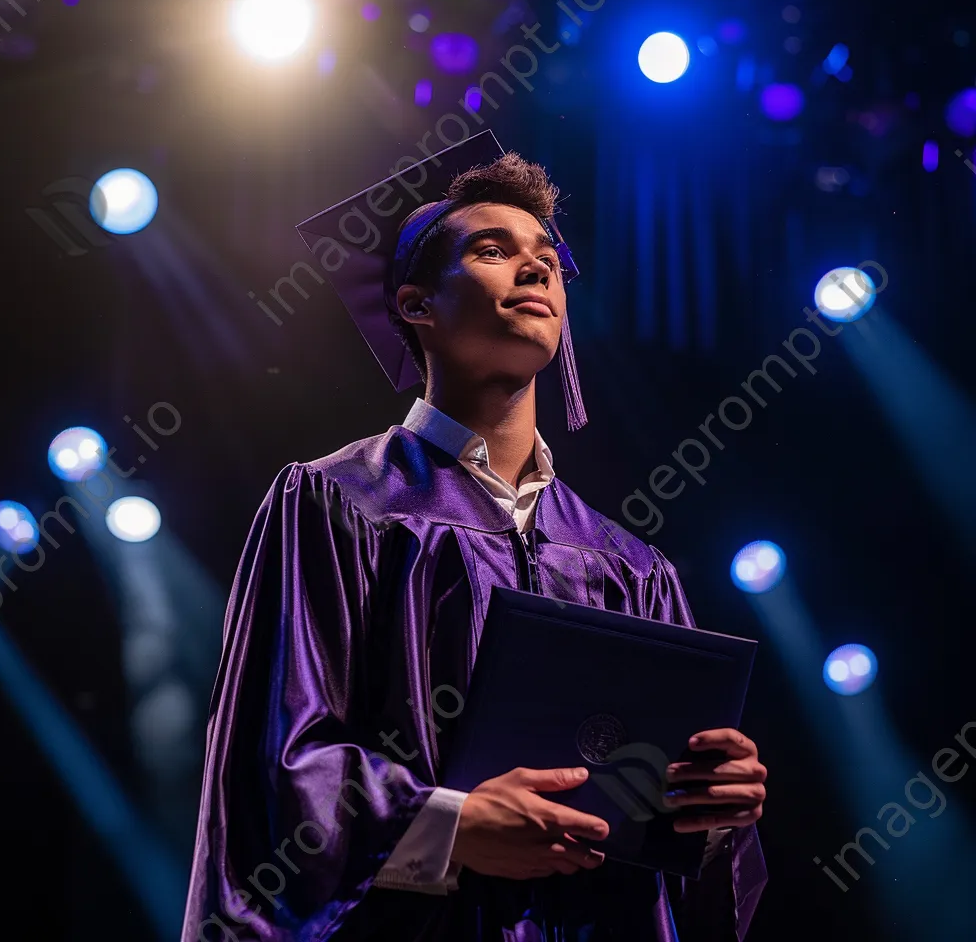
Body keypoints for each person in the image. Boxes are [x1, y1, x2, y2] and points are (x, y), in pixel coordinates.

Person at [182, 131, 767, 942]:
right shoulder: (337, 505)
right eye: (494, 250)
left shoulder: (633, 570)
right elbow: (271, 764)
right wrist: (448, 826)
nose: (536, 268)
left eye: (549, 260)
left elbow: (674, 858)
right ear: (414, 304)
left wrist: (712, 815)